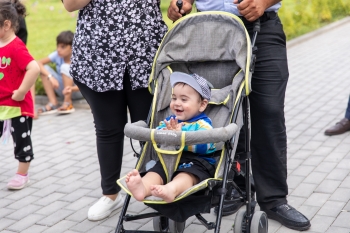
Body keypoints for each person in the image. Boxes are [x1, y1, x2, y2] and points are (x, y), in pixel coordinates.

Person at [168, 0, 311, 231]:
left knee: (269, 114)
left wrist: (264, 2)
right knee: (219, 111)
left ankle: (274, 200)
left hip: (261, 28)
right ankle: (233, 186)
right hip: (211, 31)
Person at [62, 0, 167, 221]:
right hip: (99, 57)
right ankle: (110, 195)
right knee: (108, 129)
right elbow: (70, 4)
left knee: (151, 130)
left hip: (145, 52)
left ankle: (157, 187)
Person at [126, 72, 216, 203]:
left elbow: (207, 144)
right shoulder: (170, 121)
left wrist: (181, 136)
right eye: (174, 98)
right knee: (155, 172)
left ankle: (171, 189)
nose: (177, 103)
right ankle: (142, 188)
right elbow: (157, 134)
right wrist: (165, 132)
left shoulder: (203, 124)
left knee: (185, 176)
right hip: (169, 161)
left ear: (202, 104)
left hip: (196, 163)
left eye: (184, 99)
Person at [0, 0, 40, 189]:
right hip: (2, 104)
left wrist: (22, 91)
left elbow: (34, 68)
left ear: (6, 25)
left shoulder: (16, 47)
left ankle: (22, 174)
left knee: (22, 141)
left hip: (18, 106)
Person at [37, 30, 82, 115]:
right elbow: (38, 63)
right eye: (58, 46)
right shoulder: (57, 54)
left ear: (72, 47)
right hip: (63, 90)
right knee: (44, 69)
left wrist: (71, 89)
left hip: (77, 91)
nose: (58, 50)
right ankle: (53, 103)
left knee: (65, 67)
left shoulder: (80, 59)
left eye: (63, 47)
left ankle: (67, 103)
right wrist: (50, 77)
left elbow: (86, 85)